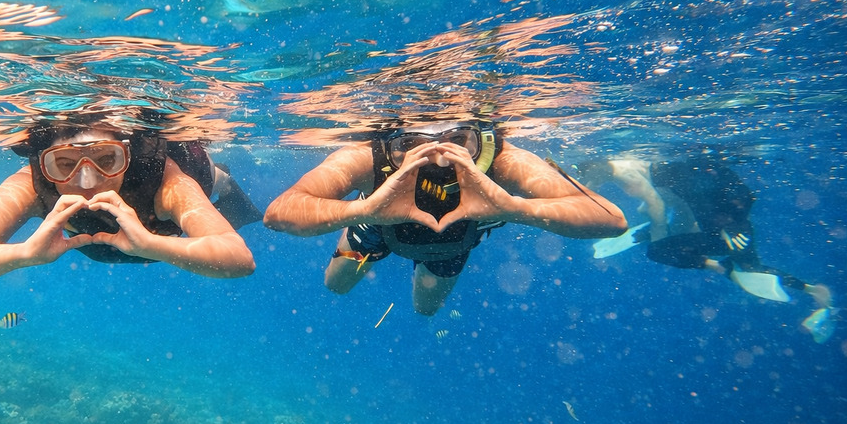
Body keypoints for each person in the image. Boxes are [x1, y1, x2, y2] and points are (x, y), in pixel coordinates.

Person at [262, 121, 628, 315]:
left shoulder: (502, 160)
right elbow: (280, 212)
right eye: (411, 145)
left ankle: (419, 265)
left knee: (425, 310)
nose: (438, 158)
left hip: (453, 244)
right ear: (392, 141)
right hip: (375, 229)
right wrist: (363, 210)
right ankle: (366, 242)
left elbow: (611, 219)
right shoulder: (366, 157)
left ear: (479, 139)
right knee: (336, 285)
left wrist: (516, 208)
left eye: (458, 141)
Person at [0, 122, 260, 282]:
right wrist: (24, 254)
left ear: (127, 158)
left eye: (106, 159)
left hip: (190, 180)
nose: (87, 180)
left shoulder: (166, 182)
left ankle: (225, 177)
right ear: (45, 164)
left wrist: (152, 245)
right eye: (64, 164)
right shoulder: (31, 186)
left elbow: (238, 257)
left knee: (213, 178)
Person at [583, 156, 836, 340]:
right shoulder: (645, 164)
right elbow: (684, 197)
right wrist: (728, 221)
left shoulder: (631, 176)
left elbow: (658, 208)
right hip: (731, 221)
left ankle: (720, 268)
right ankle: (811, 289)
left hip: (724, 225)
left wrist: (659, 238)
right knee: (749, 265)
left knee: (659, 250)